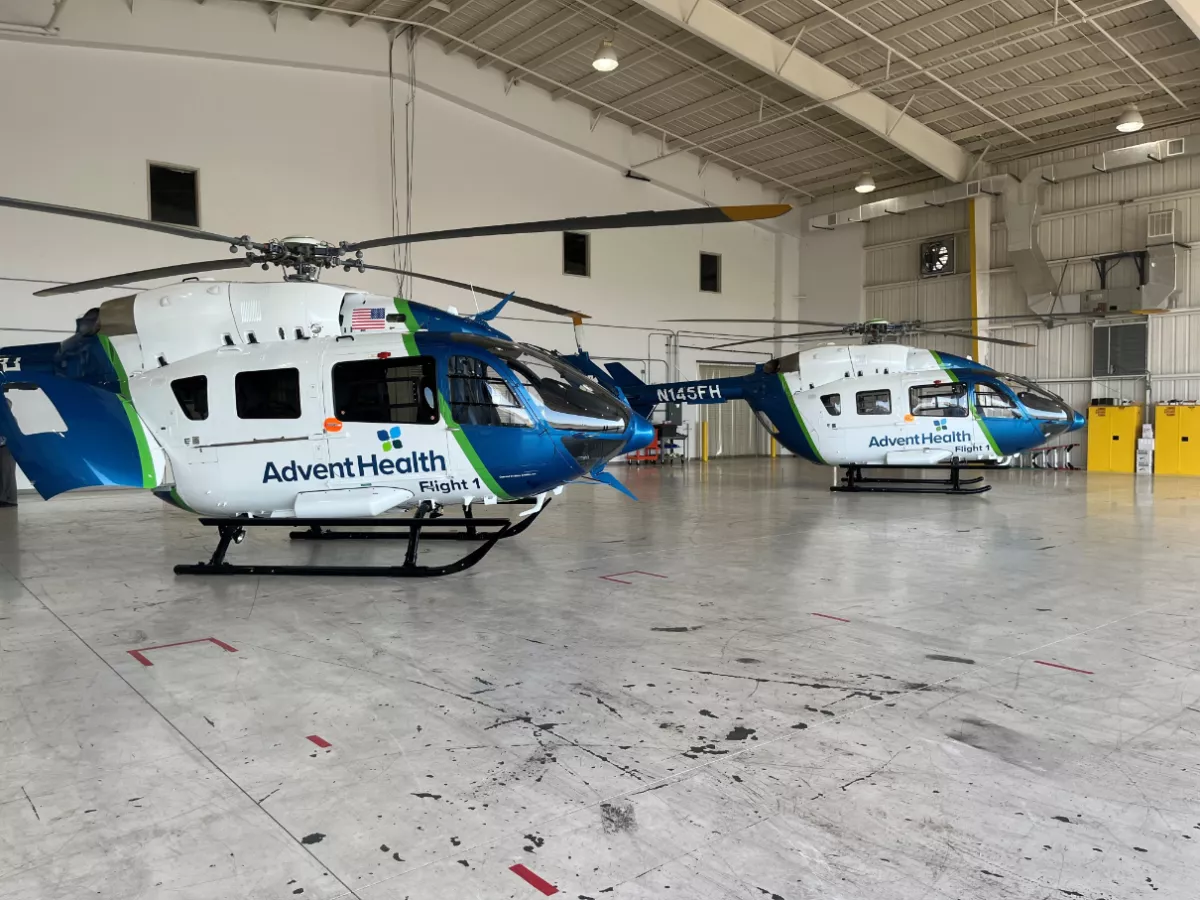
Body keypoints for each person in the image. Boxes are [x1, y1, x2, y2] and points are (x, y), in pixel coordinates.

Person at [0, 397, 15, 506]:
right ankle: (3, 498)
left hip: (7, 449)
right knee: (2, 475)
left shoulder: (10, 419)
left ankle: (10, 500)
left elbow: (11, 436)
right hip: (2, 448)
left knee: (7, 474)